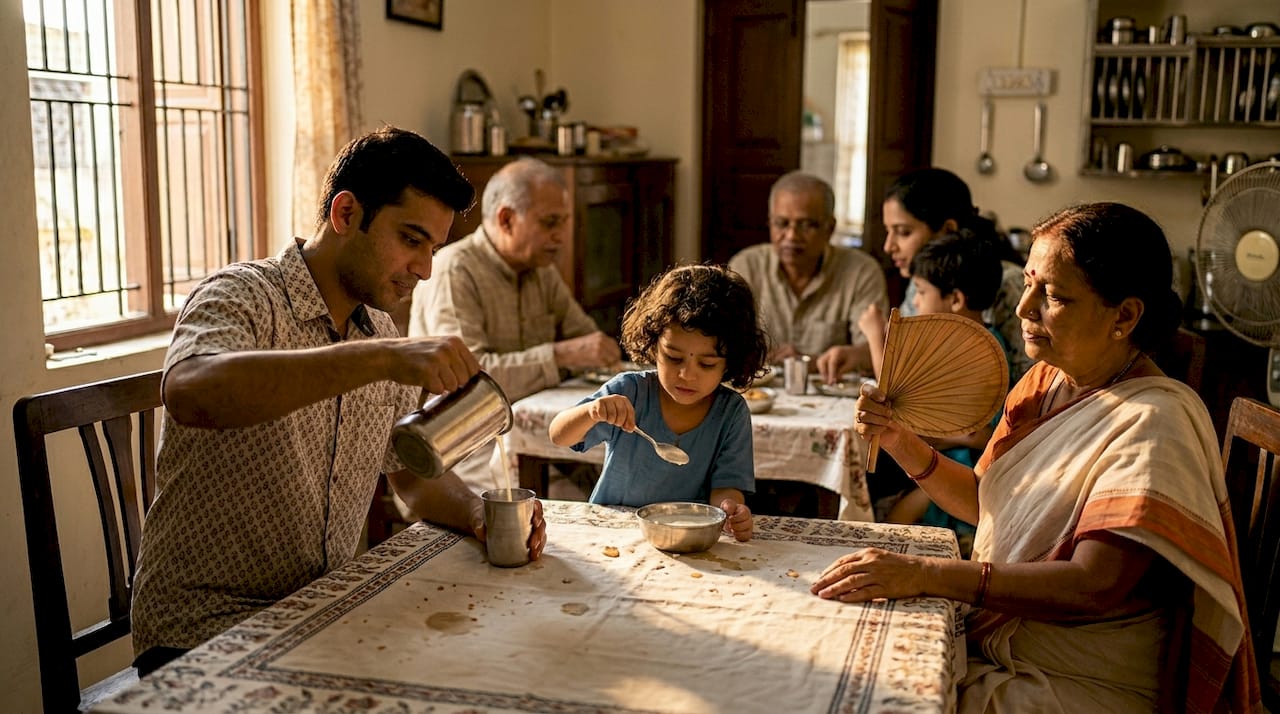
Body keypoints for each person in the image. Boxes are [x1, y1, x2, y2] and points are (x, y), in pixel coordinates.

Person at [129, 127, 548, 676]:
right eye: (411, 239)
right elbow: (190, 391)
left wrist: (477, 515)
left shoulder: (378, 329)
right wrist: (379, 358)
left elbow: (411, 476)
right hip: (203, 631)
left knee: (501, 665)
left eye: (433, 249)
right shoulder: (243, 294)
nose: (424, 269)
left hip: (323, 613)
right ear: (346, 213)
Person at [814, 202, 1258, 712]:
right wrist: (898, 438)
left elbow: (1092, 584)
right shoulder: (1046, 382)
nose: (1024, 307)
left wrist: (926, 574)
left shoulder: (1156, 422)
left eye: (1053, 295)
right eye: (1028, 283)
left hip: (1081, 677)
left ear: (1124, 316)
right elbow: (984, 501)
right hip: (1007, 643)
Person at [410, 156, 621, 495]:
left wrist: (591, 350)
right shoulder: (455, 270)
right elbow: (469, 382)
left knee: (621, 478)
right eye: (550, 223)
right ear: (506, 219)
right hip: (465, 442)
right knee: (564, 506)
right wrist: (561, 356)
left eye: (564, 223)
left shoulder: (541, 269)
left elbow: (587, 340)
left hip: (537, 435)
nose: (560, 237)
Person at [548, 264, 768, 541]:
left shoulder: (731, 412)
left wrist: (730, 510)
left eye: (707, 364)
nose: (686, 375)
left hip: (684, 535)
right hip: (612, 533)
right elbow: (558, 435)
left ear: (730, 362)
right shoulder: (630, 391)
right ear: (653, 345)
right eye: (674, 358)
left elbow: (726, 486)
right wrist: (592, 412)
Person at [861, 229, 1008, 554]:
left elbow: (890, 395)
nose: (914, 301)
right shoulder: (956, 344)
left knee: (895, 522)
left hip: (964, 469)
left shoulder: (979, 351)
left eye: (921, 291)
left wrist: (874, 336)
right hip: (937, 455)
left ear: (955, 300)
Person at [871, 167, 1033, 381]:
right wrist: (857, 354)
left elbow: (1030, 381)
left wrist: (875, 336)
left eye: (903, 232)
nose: (888, 246)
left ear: (947, 229)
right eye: (888, 231)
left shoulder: (1010, 285)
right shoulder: (923, 280)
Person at [729, 171, 887, 384]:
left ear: (830, 228)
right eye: (781, 223)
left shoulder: (861, 272)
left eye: (806, 225)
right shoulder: (746, 266)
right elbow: (721, 342)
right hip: (759, 392)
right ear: (769, 223)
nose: (792, 236)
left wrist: (819, 361)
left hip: (832, 391)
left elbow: (877, 350)